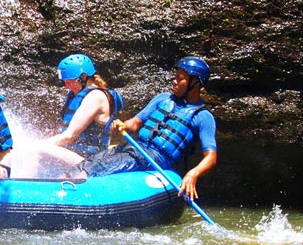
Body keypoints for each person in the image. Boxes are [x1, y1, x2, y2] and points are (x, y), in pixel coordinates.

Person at [71, 56, 217, 200]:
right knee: (89, 162)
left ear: (195, 83)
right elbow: (134, 123)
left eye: (180, 79)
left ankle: (74, 191)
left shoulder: (203, 116)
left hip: (156, 157)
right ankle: (62, 181)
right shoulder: (163, 98)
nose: (174, 81)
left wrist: (193, 173)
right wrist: (122, 125)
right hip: (135, 147)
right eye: (175, 77)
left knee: (102, 166)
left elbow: (211, 157)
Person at [19, 54, 123, 178]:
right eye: (65, 82)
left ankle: (23, 192)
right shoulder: (81, 94)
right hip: (76, 156)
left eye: (69, 82)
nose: (66, 86)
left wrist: (33, 146)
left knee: (34, 151)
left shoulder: (96, 97)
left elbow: (69, 136)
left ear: (83, 77)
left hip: (91, 162)